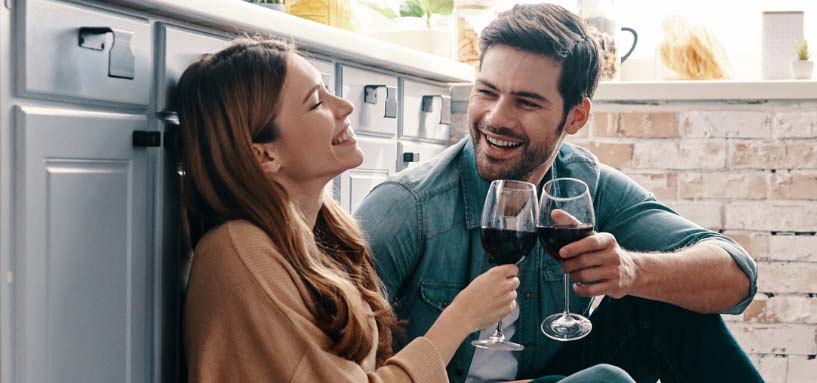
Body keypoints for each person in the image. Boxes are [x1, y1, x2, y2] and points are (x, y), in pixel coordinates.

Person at [178, 38, 632, 383]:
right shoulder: (240, 251)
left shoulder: (320, 233)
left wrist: (628, 269)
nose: (346, 105)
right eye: (317, 102)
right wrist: (460, 318)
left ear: (575, 117)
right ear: (264, 155)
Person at [355, 5, 764, 383]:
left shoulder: (584, 187)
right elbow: (335, 364)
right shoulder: (408, 207)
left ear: (576, 116)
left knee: (667, 307)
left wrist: (631, 272)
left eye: (526, 102)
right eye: (487, 92)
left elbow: (736, 277)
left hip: (543, 374)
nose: (496, 118)